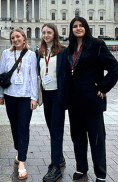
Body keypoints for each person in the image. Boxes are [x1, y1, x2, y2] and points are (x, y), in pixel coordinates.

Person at [67, 17, 118, 182]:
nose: (78, 28)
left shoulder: (96, 44)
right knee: (78, 138)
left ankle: (100, 173)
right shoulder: (70, 48)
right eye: (75, 26)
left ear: (86, 27)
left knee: (96, 139)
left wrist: (104, 86)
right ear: (71, 29)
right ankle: (81, 168)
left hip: (92, 100)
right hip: (74, 100)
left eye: (81, 25)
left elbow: (113, 66)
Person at [0, 28, 38, 180]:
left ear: (24, 38)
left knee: (23, 127)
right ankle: (19, 150)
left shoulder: (31, 55)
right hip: (10, 95)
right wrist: (0, 95)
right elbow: (2, 74)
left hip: (25, 96)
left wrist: (34, 98)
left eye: (18, 36)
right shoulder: (6, 54)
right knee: (14, 125)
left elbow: (34, 77)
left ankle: (22, 160)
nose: (15, 39)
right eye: (13, 37)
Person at [36, 23, 71, 182]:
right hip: (46, 94)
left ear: (54, 34)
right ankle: (60, 158)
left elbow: (69, 74)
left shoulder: (63, 51)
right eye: (44, 32)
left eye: (49, 32)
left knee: (56, 129)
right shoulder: (40, 52)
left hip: (58, 94)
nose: (46, 35)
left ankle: (55, 166)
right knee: (52, 127)